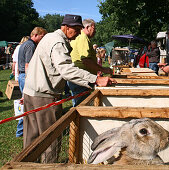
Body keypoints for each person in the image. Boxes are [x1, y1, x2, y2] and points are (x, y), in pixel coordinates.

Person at [22, 14, 115, 163]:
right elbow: (66, 69)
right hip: (44, 97)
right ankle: (49, 167)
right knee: (50, 140)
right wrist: (95, 79)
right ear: (66, 27)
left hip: (31, 94)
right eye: (77, 29)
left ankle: (25, 165)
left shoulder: (49, 37)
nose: (79, 33)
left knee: (31, 138)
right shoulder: (58, 42)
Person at [68, 19, 112, 107]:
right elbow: (86, 61)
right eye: (94, 28)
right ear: (88, 27)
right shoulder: (83, 37)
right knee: (82, 107)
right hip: (81, 78)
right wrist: (103, 69)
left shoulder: (80, 37)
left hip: (79, 77)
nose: (95, 31)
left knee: (79, 104)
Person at [18, 27, 47, 93]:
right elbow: (28, 64)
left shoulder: (25, 44)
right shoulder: (31, 45)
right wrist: (29, 80)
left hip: (21, 75)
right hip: (25, 76)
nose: (42, 39)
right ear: (36, 35)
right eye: (42, 37)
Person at [11, 36, 29, 138]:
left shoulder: (18, 48)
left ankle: (21, 129)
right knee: (24, 102)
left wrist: (15, 74)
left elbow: (14, 63)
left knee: (22, 101)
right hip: (23, 76)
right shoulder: (25, 48)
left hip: (20, 75)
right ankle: (20, 129)